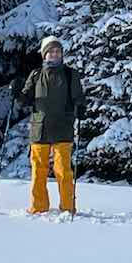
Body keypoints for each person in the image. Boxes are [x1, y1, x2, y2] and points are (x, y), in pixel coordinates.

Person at [22, 36, 84, 216]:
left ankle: (67, 207)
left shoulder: (70, 74)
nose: (55, 54)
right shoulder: (35, 75)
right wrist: (17, 92)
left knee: (63, 170)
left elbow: (78, 97)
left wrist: (80, 107)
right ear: (44, 54)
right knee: (38, 171)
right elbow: (25, 99)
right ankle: (38, 207)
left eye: (58, 51)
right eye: (51, 51)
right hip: (39, 128)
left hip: (63, 127)